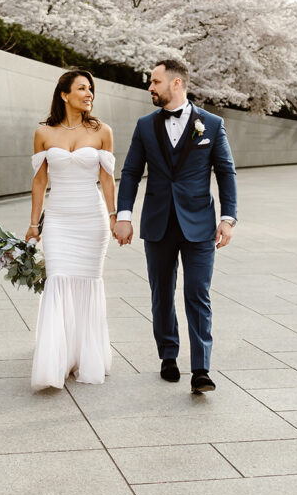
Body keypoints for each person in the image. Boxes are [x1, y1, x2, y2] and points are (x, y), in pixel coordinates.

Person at [113, 60, 238, 394]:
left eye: (155, 82)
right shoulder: (144, 126)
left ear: (176, 83)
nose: (150, 88)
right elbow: (129, 171)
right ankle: (168, 355)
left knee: (197, 293)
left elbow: (225, 172)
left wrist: (228, 218)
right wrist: (123, 215)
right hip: (158, 222)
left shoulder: (211, 124)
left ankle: (201, 368)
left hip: (199, 223)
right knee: (162, 293)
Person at [27, 70, 117, 391]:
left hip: (91, 220)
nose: (88, 93)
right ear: (64, 94)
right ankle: (57, 359)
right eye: (82, 88)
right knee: (58, 281)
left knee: (88, 283)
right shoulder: (43, 133)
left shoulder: (102, 131)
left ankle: (85, 355)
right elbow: (40, 181)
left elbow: (107, 178)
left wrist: (113, 216)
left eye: (91, 88)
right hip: (59, 220)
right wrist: (34, 224)